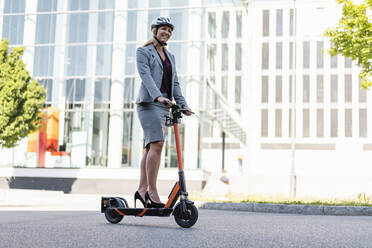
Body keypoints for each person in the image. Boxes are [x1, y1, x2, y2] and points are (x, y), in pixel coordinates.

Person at [134, 17, 192, 208]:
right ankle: (151, 191)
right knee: (157, 144)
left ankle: (142, 190)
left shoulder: (171, 57)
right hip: (149, 103)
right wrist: (158, 96)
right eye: (163, 29)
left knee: (151, 147)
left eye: (168, 30)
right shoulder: (143, 51)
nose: (166, 32)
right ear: (155, 31)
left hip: (164, 104)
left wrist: (183, 105)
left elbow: (175, 84)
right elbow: (146, 76)